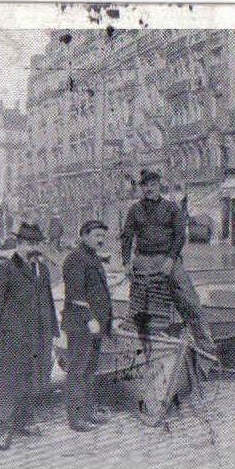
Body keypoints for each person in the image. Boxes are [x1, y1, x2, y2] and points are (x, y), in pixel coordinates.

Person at [120, 169, 217, 354]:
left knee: (190, 300)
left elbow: (180, 237)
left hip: (168, 259)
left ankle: (206, 347)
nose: (149, 189)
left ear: (159, 186)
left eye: (153, 185)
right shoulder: (135, 210)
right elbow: (127, 237)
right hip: (144, 259)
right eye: (145, 185)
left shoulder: (172, 208)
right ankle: (139, 347)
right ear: (141, 188)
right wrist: (126, 262)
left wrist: (171, 259)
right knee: (140, 304)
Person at [0, 222, 59, 451]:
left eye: (37, 244)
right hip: (12, 338)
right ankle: (4, 429)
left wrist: (52, 330)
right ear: (19, 244)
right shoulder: (4, 269)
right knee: (8, 384)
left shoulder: (42, 270)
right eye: (29, 244)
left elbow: (47, 301)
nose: (35, 248)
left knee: (33, 379)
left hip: (38, 336)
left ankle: (24, 420)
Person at [61, 220, 113, 432]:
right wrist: (90, 319)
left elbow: (99, 293)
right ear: (84, 235)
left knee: (90, 370)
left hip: (94, 325)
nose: (100, 240)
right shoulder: (75, 258)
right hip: (82, 325)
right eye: (96, 235)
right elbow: (75, 295)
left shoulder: (92, 257)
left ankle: (88, 412)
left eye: (103, 236)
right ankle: (75, 418)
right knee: (77, 371)